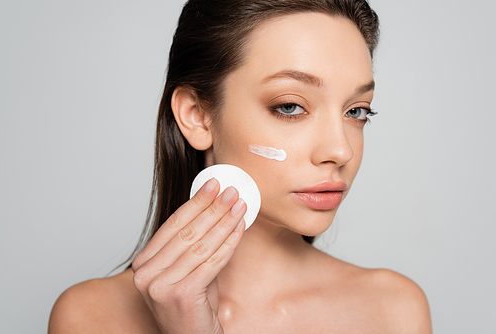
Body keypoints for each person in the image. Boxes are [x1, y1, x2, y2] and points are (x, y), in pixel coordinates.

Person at [49, 0, 432, 333]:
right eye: (290, 106)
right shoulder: (88, 318)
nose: (340, 150)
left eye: (356, 111)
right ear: (198, 116)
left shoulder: (394, 312)